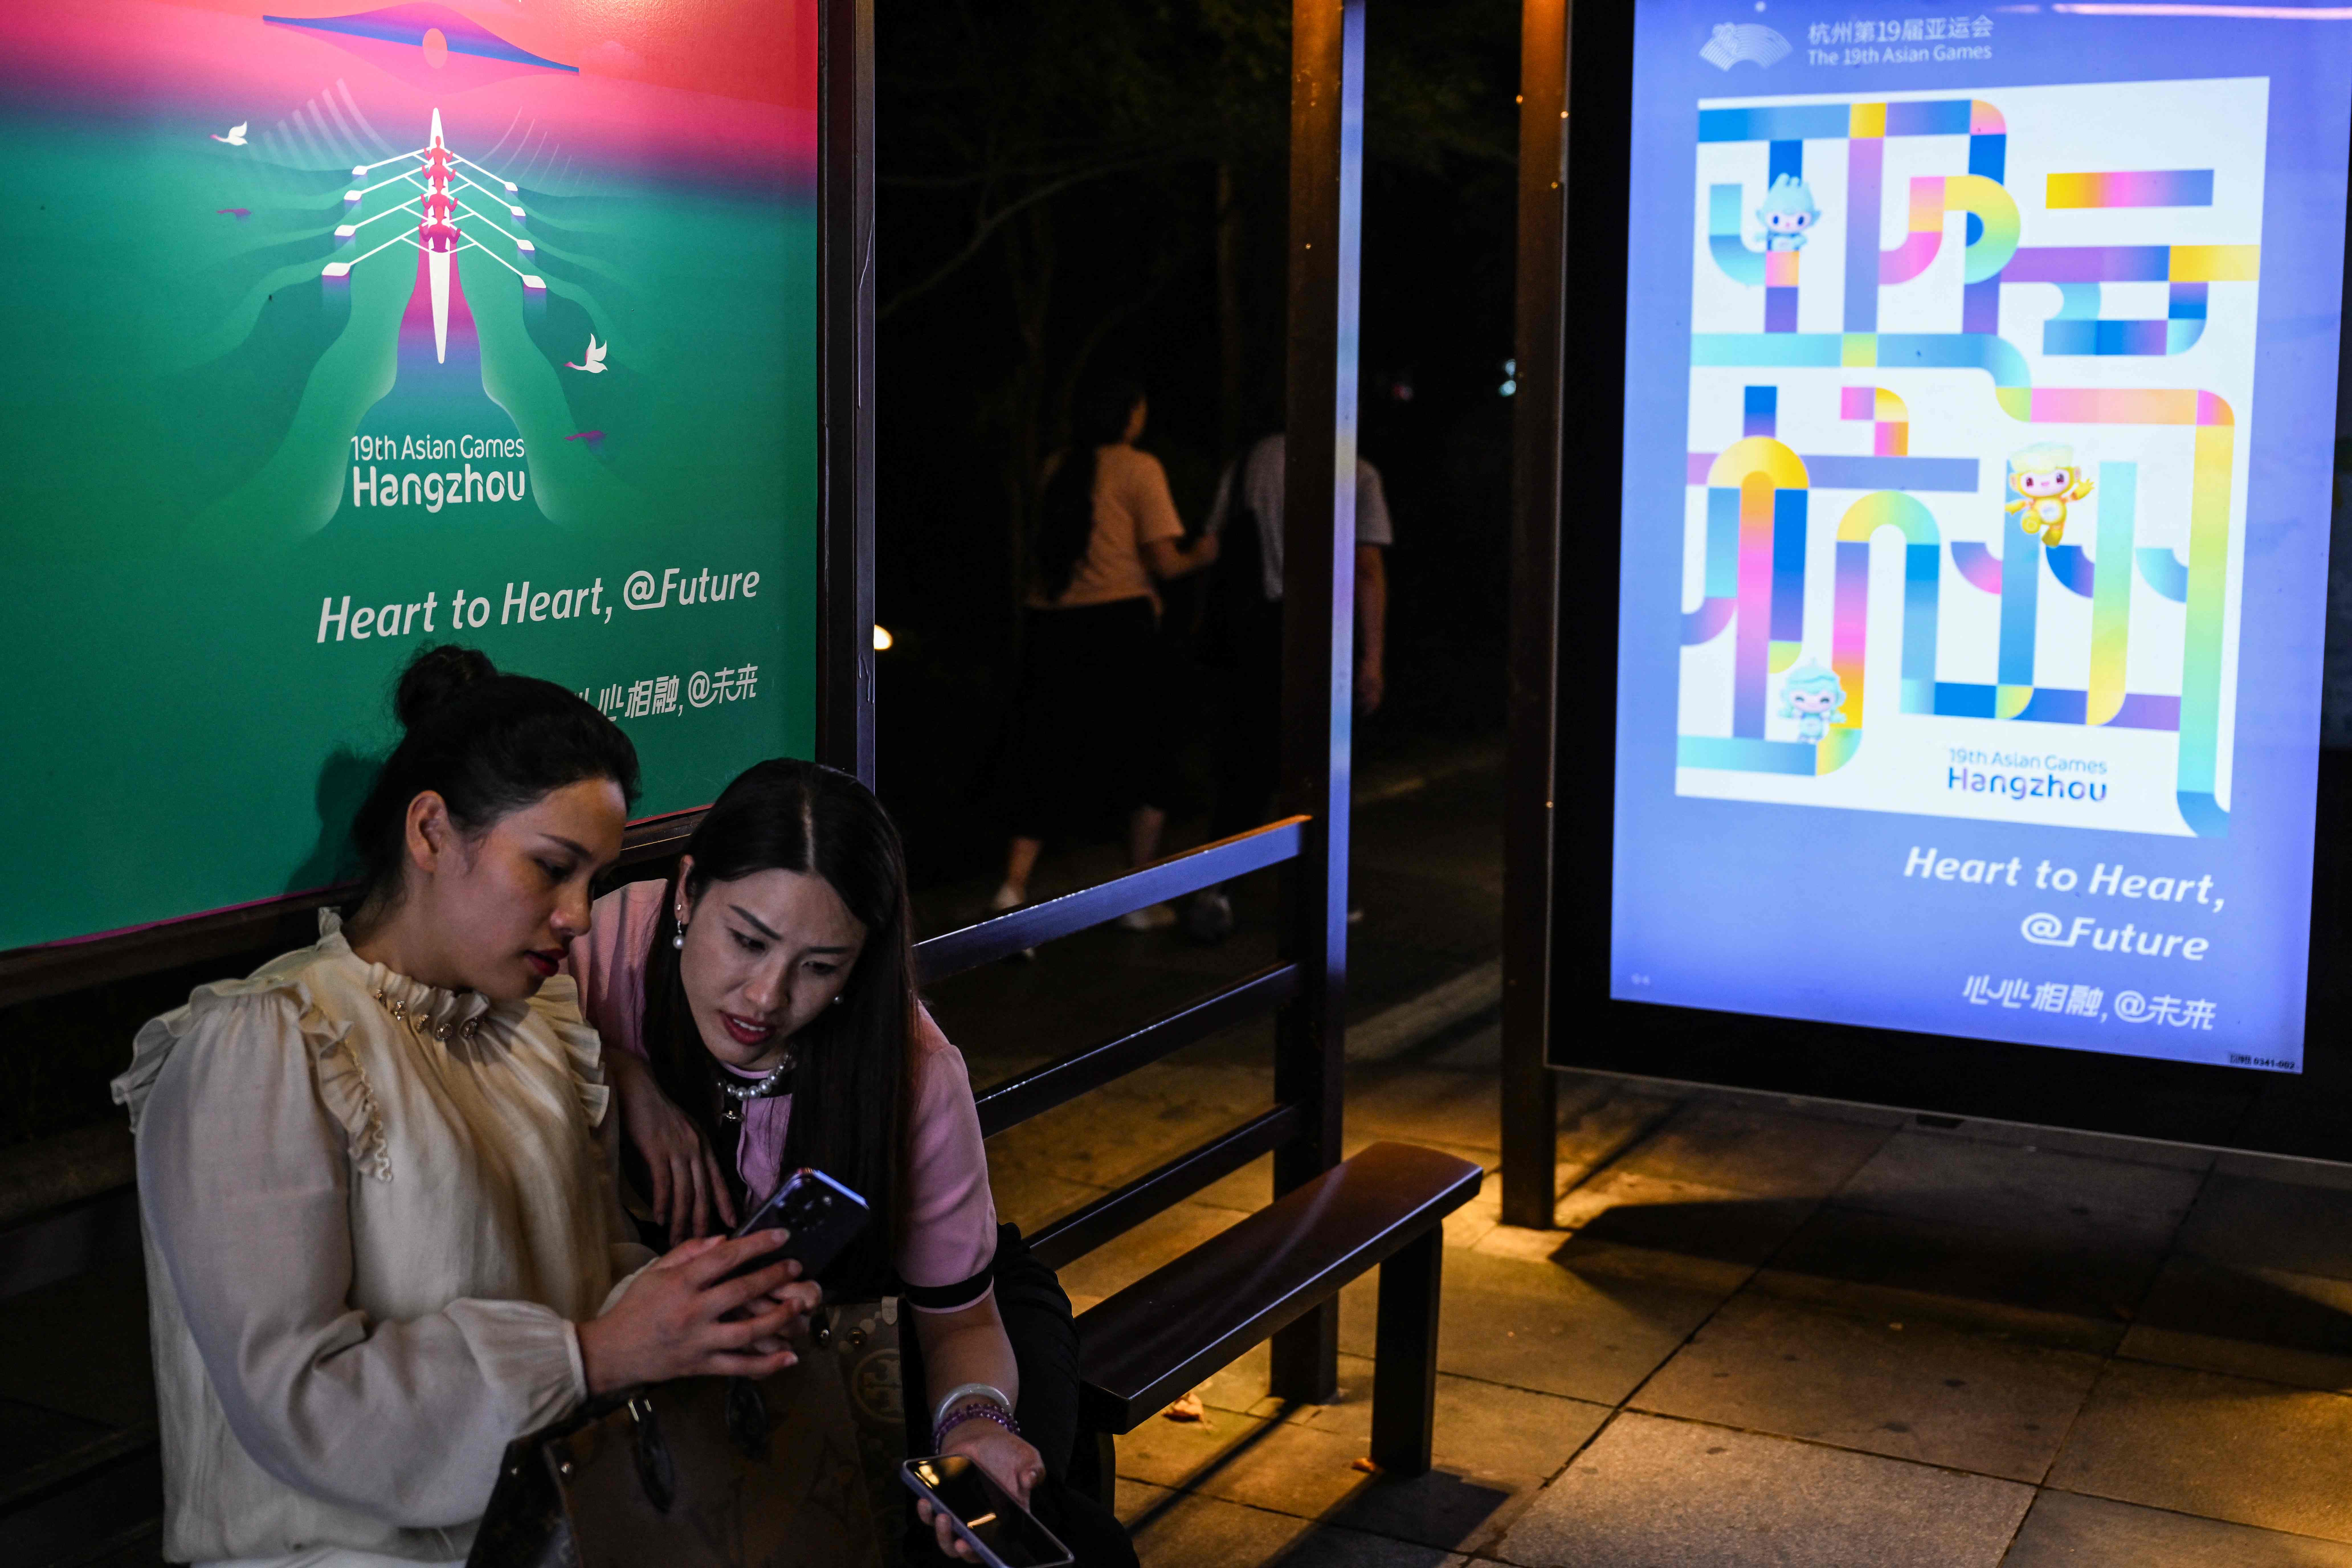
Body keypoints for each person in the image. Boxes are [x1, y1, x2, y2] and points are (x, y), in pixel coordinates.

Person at [110, 645, 817, 1568]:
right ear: (432, 832)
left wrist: (705, 1315)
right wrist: (594, 1354)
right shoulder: (268, 1044)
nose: (577, 914)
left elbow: (580, 1274)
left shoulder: (535, 1027)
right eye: (551, 867)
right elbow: (300, 1399)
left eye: (594, 880)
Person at [570, 758, 1136, 1565]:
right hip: (726, 1358)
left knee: (1006, 1532)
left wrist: (974, 1421)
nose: (766, 997)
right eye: (747, 941)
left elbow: (962, 1318)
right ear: (689, 890)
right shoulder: (600, 951)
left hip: (906, 1322)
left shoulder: (911, 1067)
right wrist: (615, 1072)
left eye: (820, 966)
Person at [994, 376, 1220, 933]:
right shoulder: (1139, 468)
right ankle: (1137, 896)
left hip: (1051, 624)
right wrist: (1206, 552)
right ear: (1130, 414)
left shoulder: (1056, 467)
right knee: (1148, 757)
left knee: (1043, 753)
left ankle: (1011, 886)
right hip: (1120, 625)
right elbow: (1165, 563)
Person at [1188, 430, 1393, 941]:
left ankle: (1217, 889)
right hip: (1322, 635)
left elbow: (1214, 543)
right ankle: (1324, 897)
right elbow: (1367, 568)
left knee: (1244, 768)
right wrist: (1373, 658)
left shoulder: (1248, 461)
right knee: (1323, 768)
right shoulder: (1358, 472)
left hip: (1251, 633)